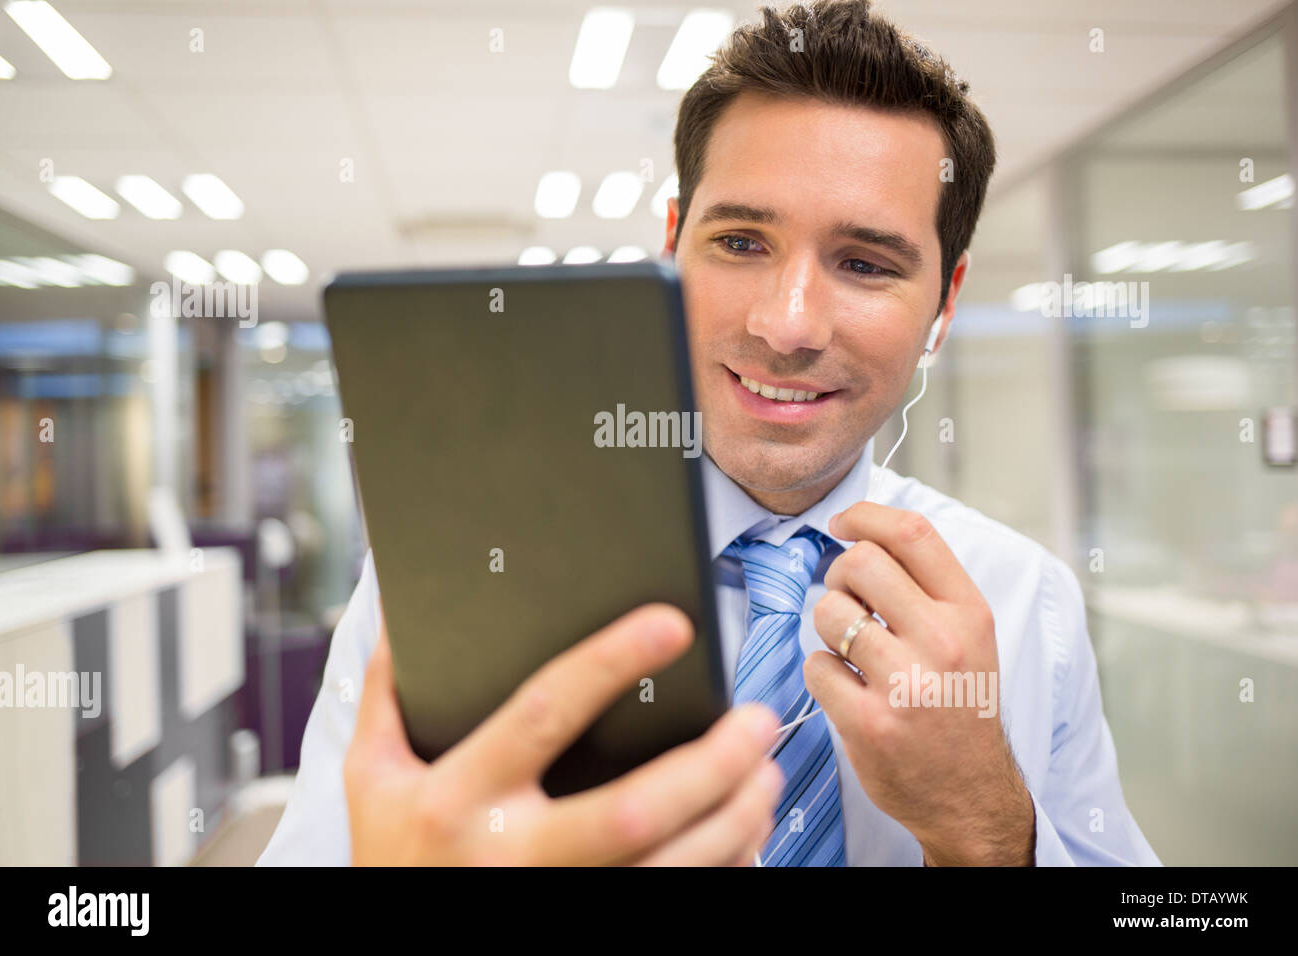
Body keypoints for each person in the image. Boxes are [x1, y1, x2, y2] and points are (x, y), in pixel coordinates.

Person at [259, 0, 1160, 866]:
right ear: (672, 243)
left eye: (865, 263)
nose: (788, 325)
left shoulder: (1024, 603)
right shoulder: (449, 578)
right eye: (740, 242)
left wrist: (990, 832)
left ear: (946, 303)